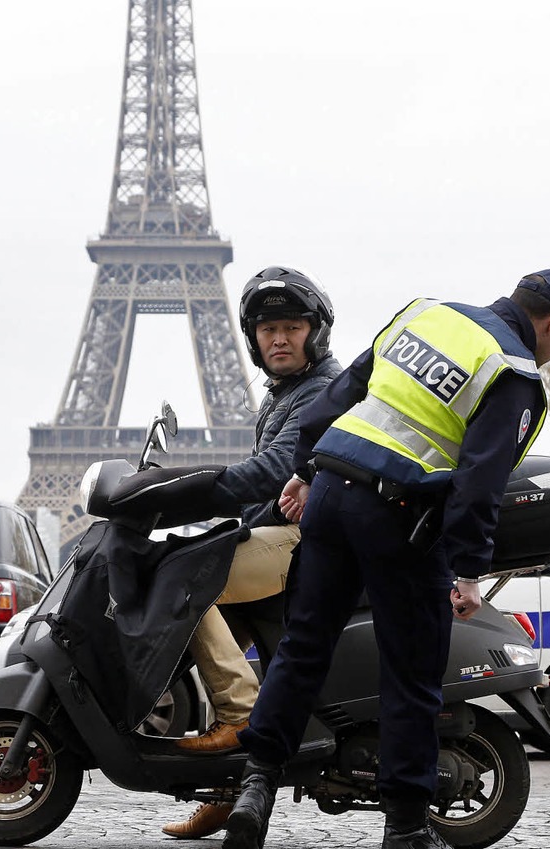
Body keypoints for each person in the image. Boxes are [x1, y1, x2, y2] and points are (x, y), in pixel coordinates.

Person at [221, 269, 550, 849]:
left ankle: (255, 785)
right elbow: (480, 480)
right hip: (399, 516)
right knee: (412, 674)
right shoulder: (513, 372)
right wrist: (469, 570)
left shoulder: (426, 314)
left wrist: (303, 472)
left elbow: (341, 397)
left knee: (303, 646)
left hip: (331, 497)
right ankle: (408, 826)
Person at [162, 265, 342, 840]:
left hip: (309, 542)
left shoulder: (318, 391)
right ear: (254, 340)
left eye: (292, 327)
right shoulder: (287, 393)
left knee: (189, 580)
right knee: (213, 603)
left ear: (315, 333)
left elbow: (273, 472)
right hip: (288, 534)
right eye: (268, 330)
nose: (280, 339)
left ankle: (242, 717)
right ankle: (226, 785)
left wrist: (188, 492)